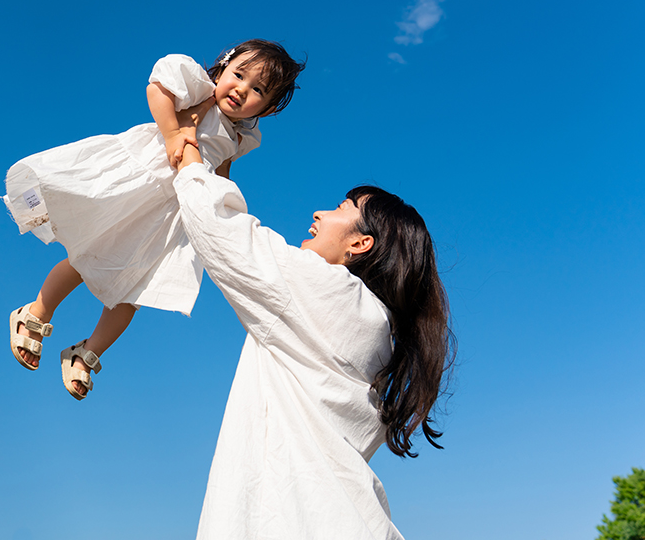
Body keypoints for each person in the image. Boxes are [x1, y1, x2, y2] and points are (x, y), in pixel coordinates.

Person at [172, 114, 453, 539]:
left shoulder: (330, 291)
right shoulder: (375, 327)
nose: (319, 212)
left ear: (361, 244)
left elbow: (222, 232)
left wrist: (188, 148)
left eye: (341, 208)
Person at [2, 40, 306, 399]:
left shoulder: (239, 136)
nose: (242, 89)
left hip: (168, 218)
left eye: (258, 90)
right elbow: (158, 88)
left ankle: (86, 354)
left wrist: (216, 209)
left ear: (268, 109)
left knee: (136, 289)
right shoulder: (198, 92)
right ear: (223, 68)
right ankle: (35, 312)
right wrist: (173, 133)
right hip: (139, 186)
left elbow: (220, 176)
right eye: (239, 75)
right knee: (85, 258)